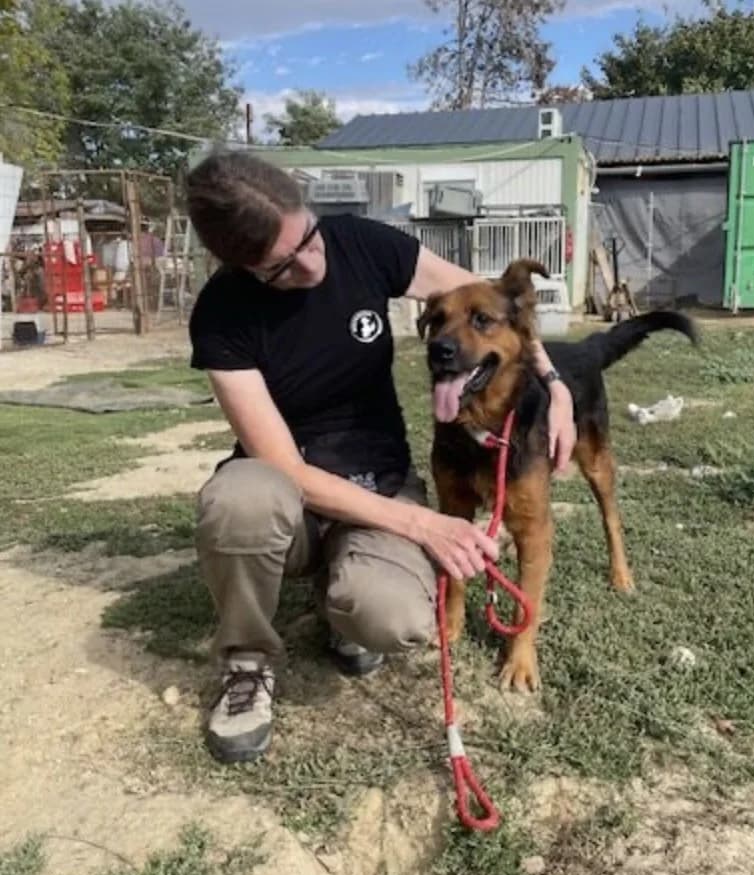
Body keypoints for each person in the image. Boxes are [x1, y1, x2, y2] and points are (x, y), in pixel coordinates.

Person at [185, 150, 577, 764]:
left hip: (379, 480)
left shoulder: (360, 243)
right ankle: (247, 663)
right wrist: (424, 523)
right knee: (240, 496)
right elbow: (287, 470)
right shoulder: (222, 314)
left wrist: (556, 388)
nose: (312, 264)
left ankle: (341, 608)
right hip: (293, 501)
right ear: (238, 266)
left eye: (309, 238)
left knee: (392, 620)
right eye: (282, 266)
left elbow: (496, 305)